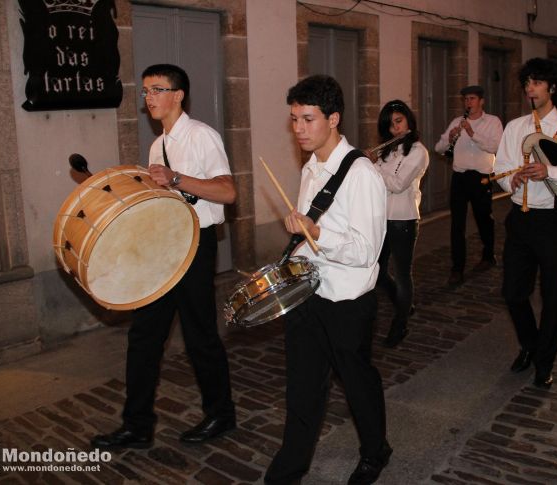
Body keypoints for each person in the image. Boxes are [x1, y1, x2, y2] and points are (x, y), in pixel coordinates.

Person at [91, 64, 237, 449]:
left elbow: (227, 192)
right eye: (145, 92)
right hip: (163, 249)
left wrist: (174, 179)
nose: (149, 98)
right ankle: (137, 425)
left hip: (196, 246)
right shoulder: (158, 144)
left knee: (199, 336)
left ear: (178, 95)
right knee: (143, 338)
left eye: (157, 90)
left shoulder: (202, 136)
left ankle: (221, 414)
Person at [264, 75, 391, 484]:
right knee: (302, 385)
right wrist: (296, 247)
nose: (298, 129)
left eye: (307, 118)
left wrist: (316, 234)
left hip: (348, 300)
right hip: (308, 291)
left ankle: (376, 450)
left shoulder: (362, 176)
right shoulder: (311, 166)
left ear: (333, 118)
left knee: (356, 383)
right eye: (294, 119)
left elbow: (366, 251)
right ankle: (290, 466)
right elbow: (308, 228)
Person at [494, 58, 557, 389]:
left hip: (552, 220)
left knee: (552, 296)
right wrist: (511, 181)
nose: (530, 88)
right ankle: (530, 344)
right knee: (513, 293)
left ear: (551, 87)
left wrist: (549, 171)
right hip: (520, 219)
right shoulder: (515, 127)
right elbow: (501, 169)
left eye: (537, 82)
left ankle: (544, 362)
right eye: (527, 82)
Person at [372, 100, 429, 348]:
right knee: (377, 272)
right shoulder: (388, 151)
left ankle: (400, 324)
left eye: (399, 121)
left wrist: (372, 166)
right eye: (390, 124)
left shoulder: (418, 151)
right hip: (380, 218)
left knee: (403, 274)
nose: (395, 129)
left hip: (403, 220)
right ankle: (403, 304)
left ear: (408, 120)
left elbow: (397, 184)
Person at [434, 85, 503, 286]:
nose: (468, 103)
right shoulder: (457, 122)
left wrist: (472, 133)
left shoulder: (493, 122)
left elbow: (496, 146)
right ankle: (457, 268)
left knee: (484, 219)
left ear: (481, 101)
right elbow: (439, 148)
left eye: (472, 99)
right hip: (460, 177)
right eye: (466, 99)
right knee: (457, 225)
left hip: (482, 178)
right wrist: (450, 137)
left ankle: (488, 254)